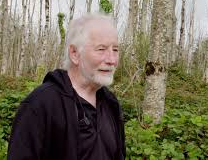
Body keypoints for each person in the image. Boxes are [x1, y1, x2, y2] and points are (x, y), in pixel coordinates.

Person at [8, 14, 126, 160]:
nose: (112, 60)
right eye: (101, 49)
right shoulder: (40, 105)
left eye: (115, 50)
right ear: (75, 54)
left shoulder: (111, 104)